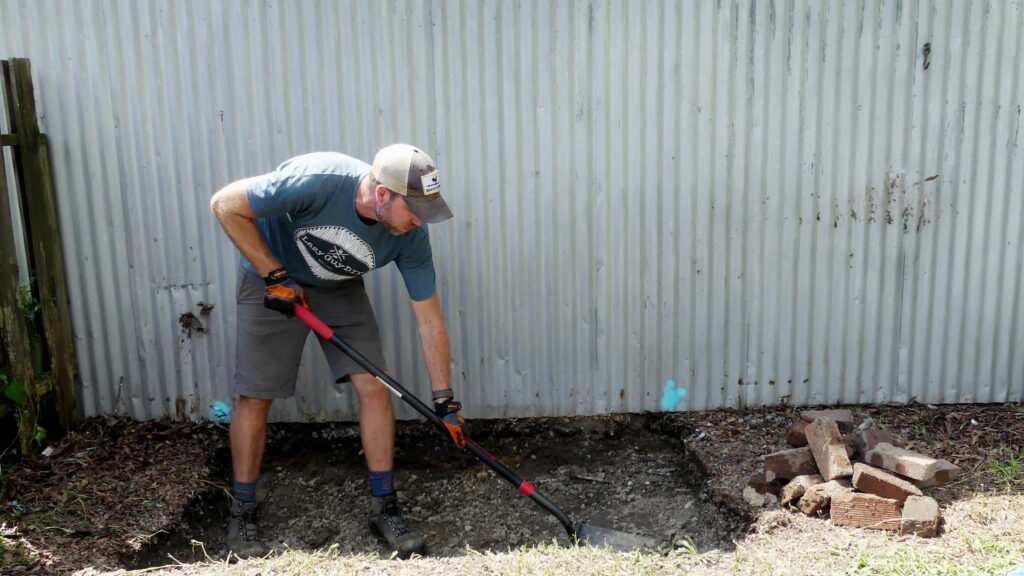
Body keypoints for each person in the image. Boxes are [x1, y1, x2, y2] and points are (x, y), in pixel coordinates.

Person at [209, 144, 467, 559]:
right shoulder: (317, 182)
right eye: (414, 208)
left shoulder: (410, 237)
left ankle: (384, 508)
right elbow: (224, 204)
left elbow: (429, 318)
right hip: (272, 278)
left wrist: (445, 400)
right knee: (256, 395)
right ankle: (242, 512)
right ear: (382, 194)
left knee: (375, 387)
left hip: (337, 282)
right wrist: (272, 273)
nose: (420, 220)